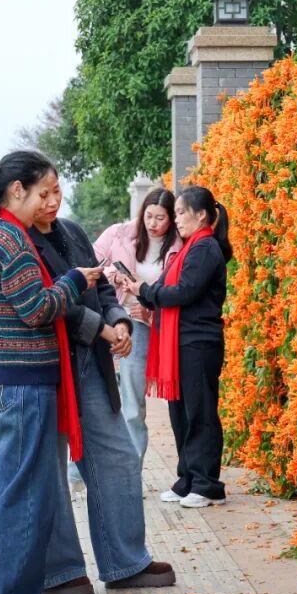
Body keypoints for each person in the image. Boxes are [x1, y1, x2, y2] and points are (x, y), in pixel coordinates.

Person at [0, 150, 100, 594]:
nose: (49, 201)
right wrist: (75, 281)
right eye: (43, 192)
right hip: (21, 384)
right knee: (23, 494)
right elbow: (37, 308)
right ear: (15, 191)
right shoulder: (10, 238)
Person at [29, 182, 176, 594]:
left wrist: (121, 321)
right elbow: (47, 303)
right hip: (51, 363)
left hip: (93, 361)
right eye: (43, 193)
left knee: (118, 455)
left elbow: (103, 287)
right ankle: (61, 571)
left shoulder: (72, 232)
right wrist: (103, 329)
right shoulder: (20, 240)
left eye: (56, 190)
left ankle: (125, 560)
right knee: (52, 467)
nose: (52, 201)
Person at [118, 185, 231, 509]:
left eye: (181, 213)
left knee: (201, 414)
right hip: (181, 343)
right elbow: (164, 288)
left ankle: (208, 485)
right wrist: (139, 289)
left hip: (199, 343)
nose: (177, 219)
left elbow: (182, 292)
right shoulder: (189, 248)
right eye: (177, 213)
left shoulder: (205, 248)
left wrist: (145, 290)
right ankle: (188, 480)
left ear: (202, 215)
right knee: (181, 413)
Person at [94, 188, 182, 460]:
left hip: (143, 325)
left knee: (133, 402)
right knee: (97, 395)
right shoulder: (119, 234)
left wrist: (150, 313)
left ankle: (132, 468)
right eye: (148, 216)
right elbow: (89, 265)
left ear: (171, 220)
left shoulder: (178, 246)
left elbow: (178, 292)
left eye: (160, 218)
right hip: (109, 317)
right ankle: (81, 470)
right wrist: (113, 275)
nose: (152, 224)